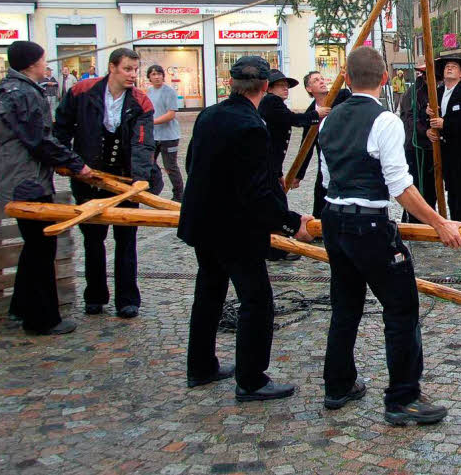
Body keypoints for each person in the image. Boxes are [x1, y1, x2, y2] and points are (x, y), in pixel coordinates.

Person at [318, 47, 461, 425]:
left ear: (346, 80)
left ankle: (338, 385)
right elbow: (401, 187)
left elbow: (326, 180)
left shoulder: (327, 121)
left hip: (334, 220)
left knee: (345, 306)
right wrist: (441, 223)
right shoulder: (385, 121)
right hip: (368, 225)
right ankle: (403, 398)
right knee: (401, 309)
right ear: (385, 79)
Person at [180, 56, 314, 402]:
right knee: (256, 301)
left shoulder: (209, 114)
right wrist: (291, 221)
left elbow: (191, 163)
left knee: (209, 292)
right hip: (234, 229)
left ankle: (201, 366)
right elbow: (258, 190)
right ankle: (251, 379)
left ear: (231, 84)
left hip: (204, 222)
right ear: (265, 87)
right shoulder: (252, 126)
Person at [0, 41, 92, 335]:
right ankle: (42, 320)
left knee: (34, 244)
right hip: (27, 181)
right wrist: (76, 164)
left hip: (17, 177)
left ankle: (20, 308)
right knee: (42, 246)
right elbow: (39, 140)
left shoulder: (8, 89)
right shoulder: (23, 93)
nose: (45, 64)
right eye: (42, 60)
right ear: (32, 64)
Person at [54, 47, 155, 318]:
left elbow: (143, 142)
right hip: (88, 176)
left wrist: (140, 179)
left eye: (135, 69)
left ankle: (127, 299)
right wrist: (70, 163)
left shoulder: (141, 101)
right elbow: (60, 128)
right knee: (93, 239)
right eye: (127, 69)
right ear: (112, 67)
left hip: (125, 179)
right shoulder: (82, 91)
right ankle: (95, 296)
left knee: (126, 239)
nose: (133, 75)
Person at [258, 68, 330, 260]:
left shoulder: (275, 103)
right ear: (269, 88)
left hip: (271, 166)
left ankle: (276, 247)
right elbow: (292, 120)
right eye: (280, 85)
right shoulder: (270, 102)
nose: (285, 89)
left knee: (277, 202)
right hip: (265, 167)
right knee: (276, 206)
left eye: (286, 86)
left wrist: (280, 172)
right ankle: (275, 249)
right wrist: (316, 114)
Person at [427, 57, 461, 225]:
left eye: (454, 67)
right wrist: (430, 128)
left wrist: (445, 124)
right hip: (444, 150)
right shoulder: (437, 93)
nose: (449, 69)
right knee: (450, 191)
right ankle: (451, 223)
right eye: (447, 67)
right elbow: (428, 119)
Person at [295, 70, 350, 222]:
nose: (321, 81)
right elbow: (306, 146)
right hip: (325, 159)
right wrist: (298, 175)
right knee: (321, 192)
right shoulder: (310, 113)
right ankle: (320, 224)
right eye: (315, 80)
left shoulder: (343, 96)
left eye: (321, 78)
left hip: (347, 154)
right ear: (309, 88)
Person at [401, 58, 437, 222]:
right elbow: (409, 119)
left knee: (431, 189)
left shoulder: (437, 89)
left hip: (431, 148)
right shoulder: (413, 93)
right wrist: (425, 131)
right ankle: (416, 222)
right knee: (416, 187)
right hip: (415, 147)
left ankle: (430, 220)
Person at [146, 65, 185, 202]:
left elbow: (171, 114)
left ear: (163, 76)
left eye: (159, 74)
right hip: (154, 136)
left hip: (169, 136)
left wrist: (152, 122)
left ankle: (179, 194)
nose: (156, 77)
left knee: (170, 166)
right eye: (153, 74)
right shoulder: (149, 92)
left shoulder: (169, 92)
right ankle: (152, 189)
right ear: (149, 77)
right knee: (148, 163)